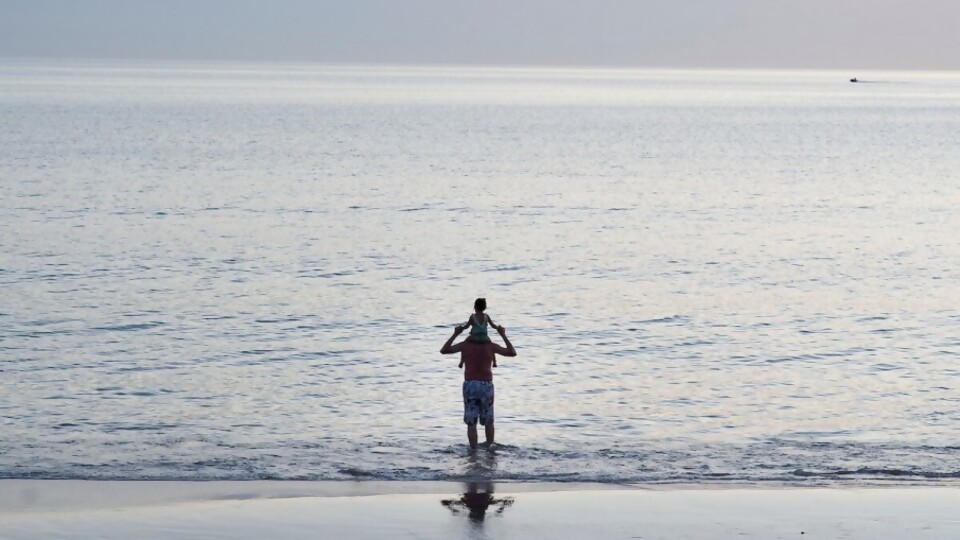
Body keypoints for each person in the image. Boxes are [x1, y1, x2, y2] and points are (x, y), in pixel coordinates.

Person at [440, 323, 516, 449]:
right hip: (486, 386)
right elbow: (512, 352)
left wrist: (456, 333)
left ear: (472, 333)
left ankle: (473, 452)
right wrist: (503, 335)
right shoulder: (490, 346)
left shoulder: (465, 345)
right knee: (488, 421)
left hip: (470, 386)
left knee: (471, 423)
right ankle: (490, 449)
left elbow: (444, 350)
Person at [457, 298, 502, 368]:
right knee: (491, 345)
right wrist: (498, 328)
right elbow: (493, 325)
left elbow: (467, 326)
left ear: (475, 307)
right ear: (484, 307)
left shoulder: (472, 317)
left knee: (465, 344)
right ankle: (494, 362)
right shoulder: (486, 316)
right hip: (484, 337)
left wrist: (461, 328)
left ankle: (461, 362)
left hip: (475, 337)